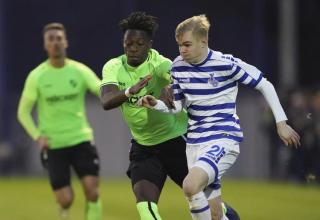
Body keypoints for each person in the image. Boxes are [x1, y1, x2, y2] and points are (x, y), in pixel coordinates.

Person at [138, 15, 301, 220]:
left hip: (223, 138)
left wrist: (281, 122)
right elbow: (178, 107)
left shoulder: (225, 63)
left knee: (190, 185)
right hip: (194, 144)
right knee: (216, 213)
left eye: (187, 44)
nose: (182, 50)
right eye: (179, 45)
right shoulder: (178, 67)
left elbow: (264, 84)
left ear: (203, 42)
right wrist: (157, 105)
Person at [100, 12, 239, 220]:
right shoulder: (113, 66)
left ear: (150, 45)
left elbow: (173, 75)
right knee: (145, 209)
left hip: (178, 144)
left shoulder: (159, 63)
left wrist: (171, 85)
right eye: (128, 43)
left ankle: (232, 216)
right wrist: (130, 91)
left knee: (211, 207)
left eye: (139, 43)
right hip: (144, 147)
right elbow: (106, 100)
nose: (133, 48)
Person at [17, 23, 102, 220]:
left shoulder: (79, 71)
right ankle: (63, 210)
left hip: (80, 138)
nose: (55, 43)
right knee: (66, 199)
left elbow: (100, 89)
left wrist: (120, 92)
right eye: (51, 39)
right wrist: (38, 136)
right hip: (54, 144)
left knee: (92, 191)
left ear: (66, 42)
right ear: (45, 45)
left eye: (58, 38)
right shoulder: (37, 76)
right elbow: (22, 112)